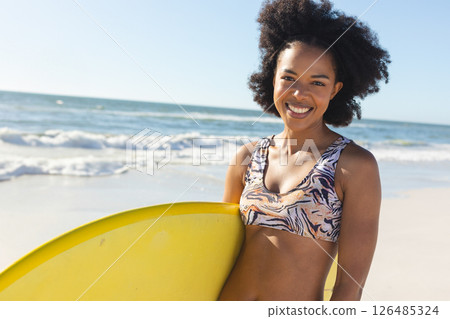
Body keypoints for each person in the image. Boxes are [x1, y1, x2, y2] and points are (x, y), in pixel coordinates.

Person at [219, 0, 390, 301]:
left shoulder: (353, 166)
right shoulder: (247, 157)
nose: (299, 94)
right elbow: (218, 251)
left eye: (317, 82)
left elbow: (349, 287)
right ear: (273, 77)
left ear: (335, 89)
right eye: (289, 78)